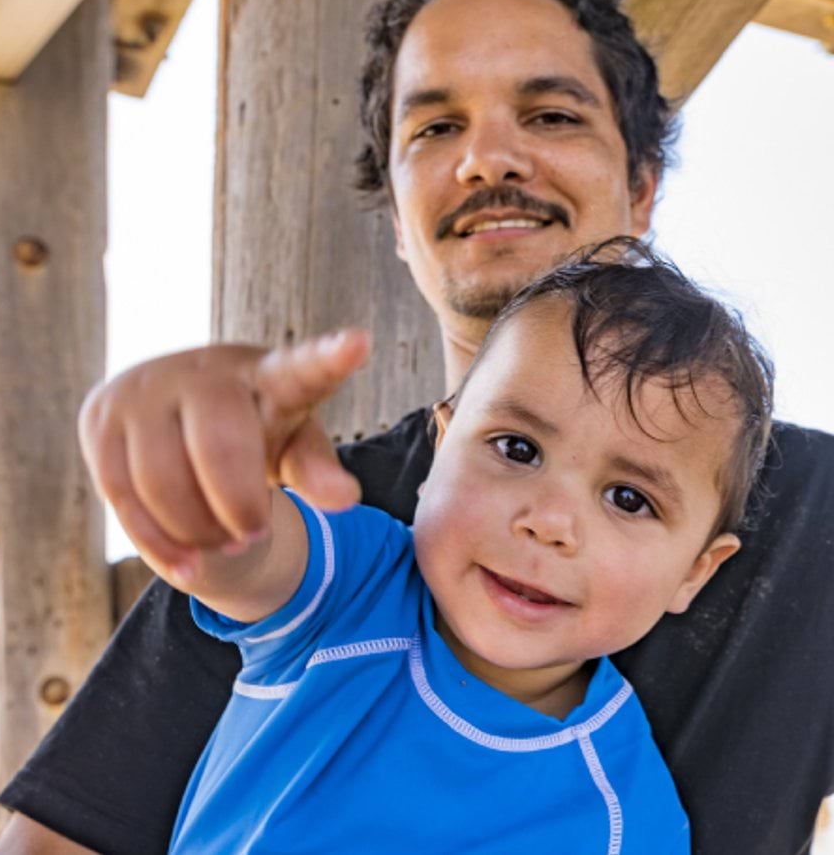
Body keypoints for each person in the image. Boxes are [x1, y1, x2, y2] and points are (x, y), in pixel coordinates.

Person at [0, 0, 834, 854]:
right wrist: (187, 472)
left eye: (553, 114)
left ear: (641, 185)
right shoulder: (328, 528)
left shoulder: (821, 513)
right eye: (434, 127)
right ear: (396, 211)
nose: (488, 157)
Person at [157, 244, 772, 853]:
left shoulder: (630, 823)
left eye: (629, 499)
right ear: (438, 448)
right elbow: (234, 544)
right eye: (517, 449)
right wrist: (192, 447)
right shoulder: (352, 586)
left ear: (694, 572)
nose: (550, 523)